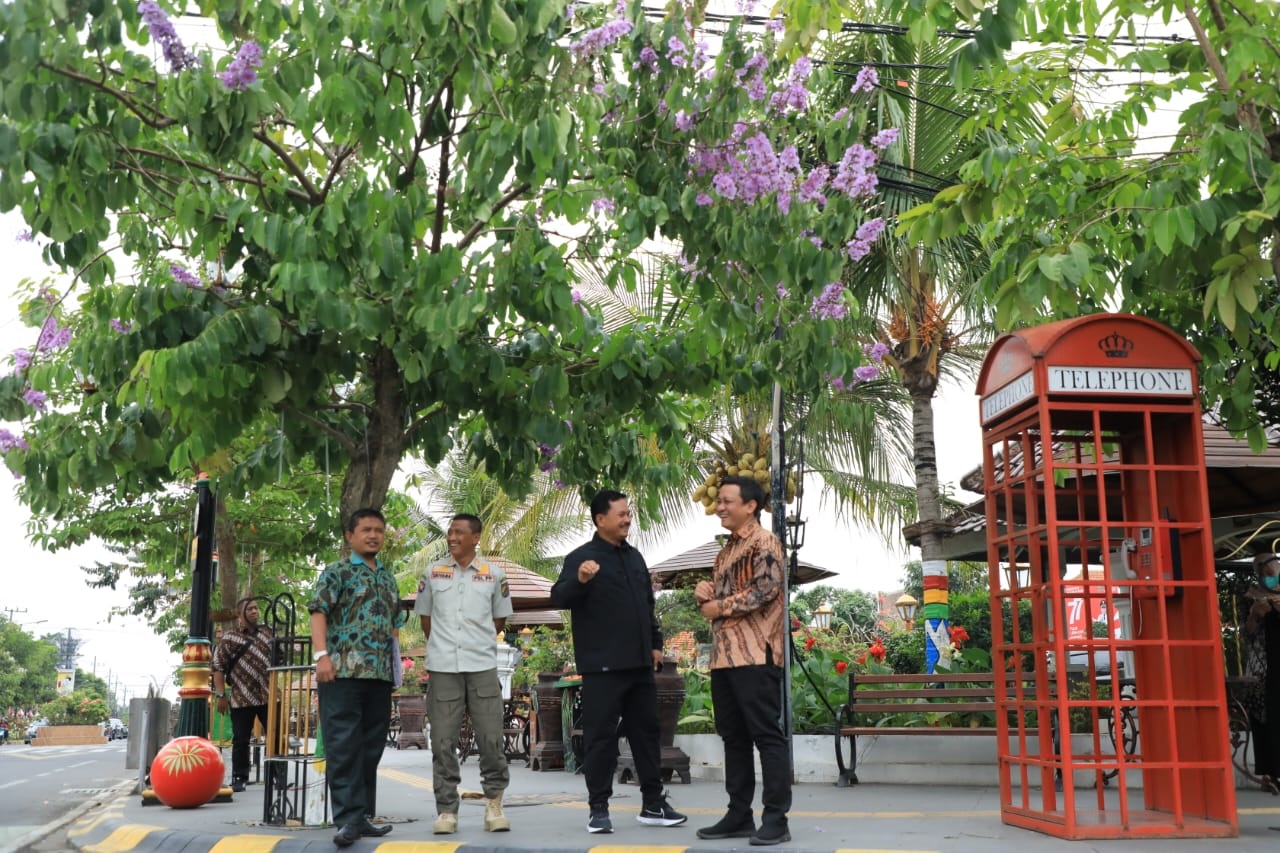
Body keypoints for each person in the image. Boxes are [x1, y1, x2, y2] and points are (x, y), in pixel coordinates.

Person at [551, 489, 687, 834]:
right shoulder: (581, 558)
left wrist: (655, 644)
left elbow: (647, 606)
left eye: (629, 514)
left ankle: (653, 804)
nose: (627, 519)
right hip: (602, 668)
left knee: (646, 734)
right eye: (621, 514)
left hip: (640, 665)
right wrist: (580, 579)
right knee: (601, 738)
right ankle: (598, 808)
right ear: (601, 519)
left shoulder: (635, 558)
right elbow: (559, 596)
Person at [693, 475, 792, 847]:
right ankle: (739, 815)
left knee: (767, 735)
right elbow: (714, 603)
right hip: (724, 657)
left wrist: (718, 605)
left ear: (750, 506)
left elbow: (766, 591)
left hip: (756, 652)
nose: (719, 507)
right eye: (719, 501)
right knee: (733, 738)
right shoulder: (725, 551)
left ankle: (776, 819)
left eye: (726, 501)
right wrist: (703, 592)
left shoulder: (765, 542)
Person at [415, 513, 513, 834]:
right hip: (443, 668)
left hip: (482, 667)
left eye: (459, 532)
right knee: (442, 741)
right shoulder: (433, 573)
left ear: (475, 538)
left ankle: (494, 805)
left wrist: (474, 642)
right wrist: (445, 647)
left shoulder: (494, 575)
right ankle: (446, 811)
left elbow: (499, 621)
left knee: (491, 739)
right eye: (450, 532)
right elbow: (425, 619)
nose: (452, 537)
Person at [308, 508, 401, 848]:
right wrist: (322, 657)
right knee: (344, 746)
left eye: (378, 529)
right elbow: (318, 611)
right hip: (342, 672)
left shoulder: (388, 577)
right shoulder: (337, 572)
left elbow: (393, 626)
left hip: (378, 675)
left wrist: (396, 668)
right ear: (350, 536)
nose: (373, 535)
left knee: (371, 747)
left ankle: (361, 816)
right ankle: (346, 820)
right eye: (366, 530)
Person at [212, 597, 275, 792]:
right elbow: (218, 667)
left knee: (275, 735)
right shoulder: (230, 638)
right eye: (250, 609)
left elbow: (281, 658)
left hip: (268, 695)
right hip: (241, 697)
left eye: (257, 608)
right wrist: (221, 695)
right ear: (240, 615)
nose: (255, 612)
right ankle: (240, 777)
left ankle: (277, 776)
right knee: (240, 739)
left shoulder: (268, 633)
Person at [1244, 552, 1280, 788]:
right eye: (1265, 575)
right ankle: (1269, 772)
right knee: (1267, 719)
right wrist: (1255, 616)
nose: (1271, 579)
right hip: (1265, 669)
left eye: (1274, 574)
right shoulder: (1252, 599)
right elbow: (1246, 635)